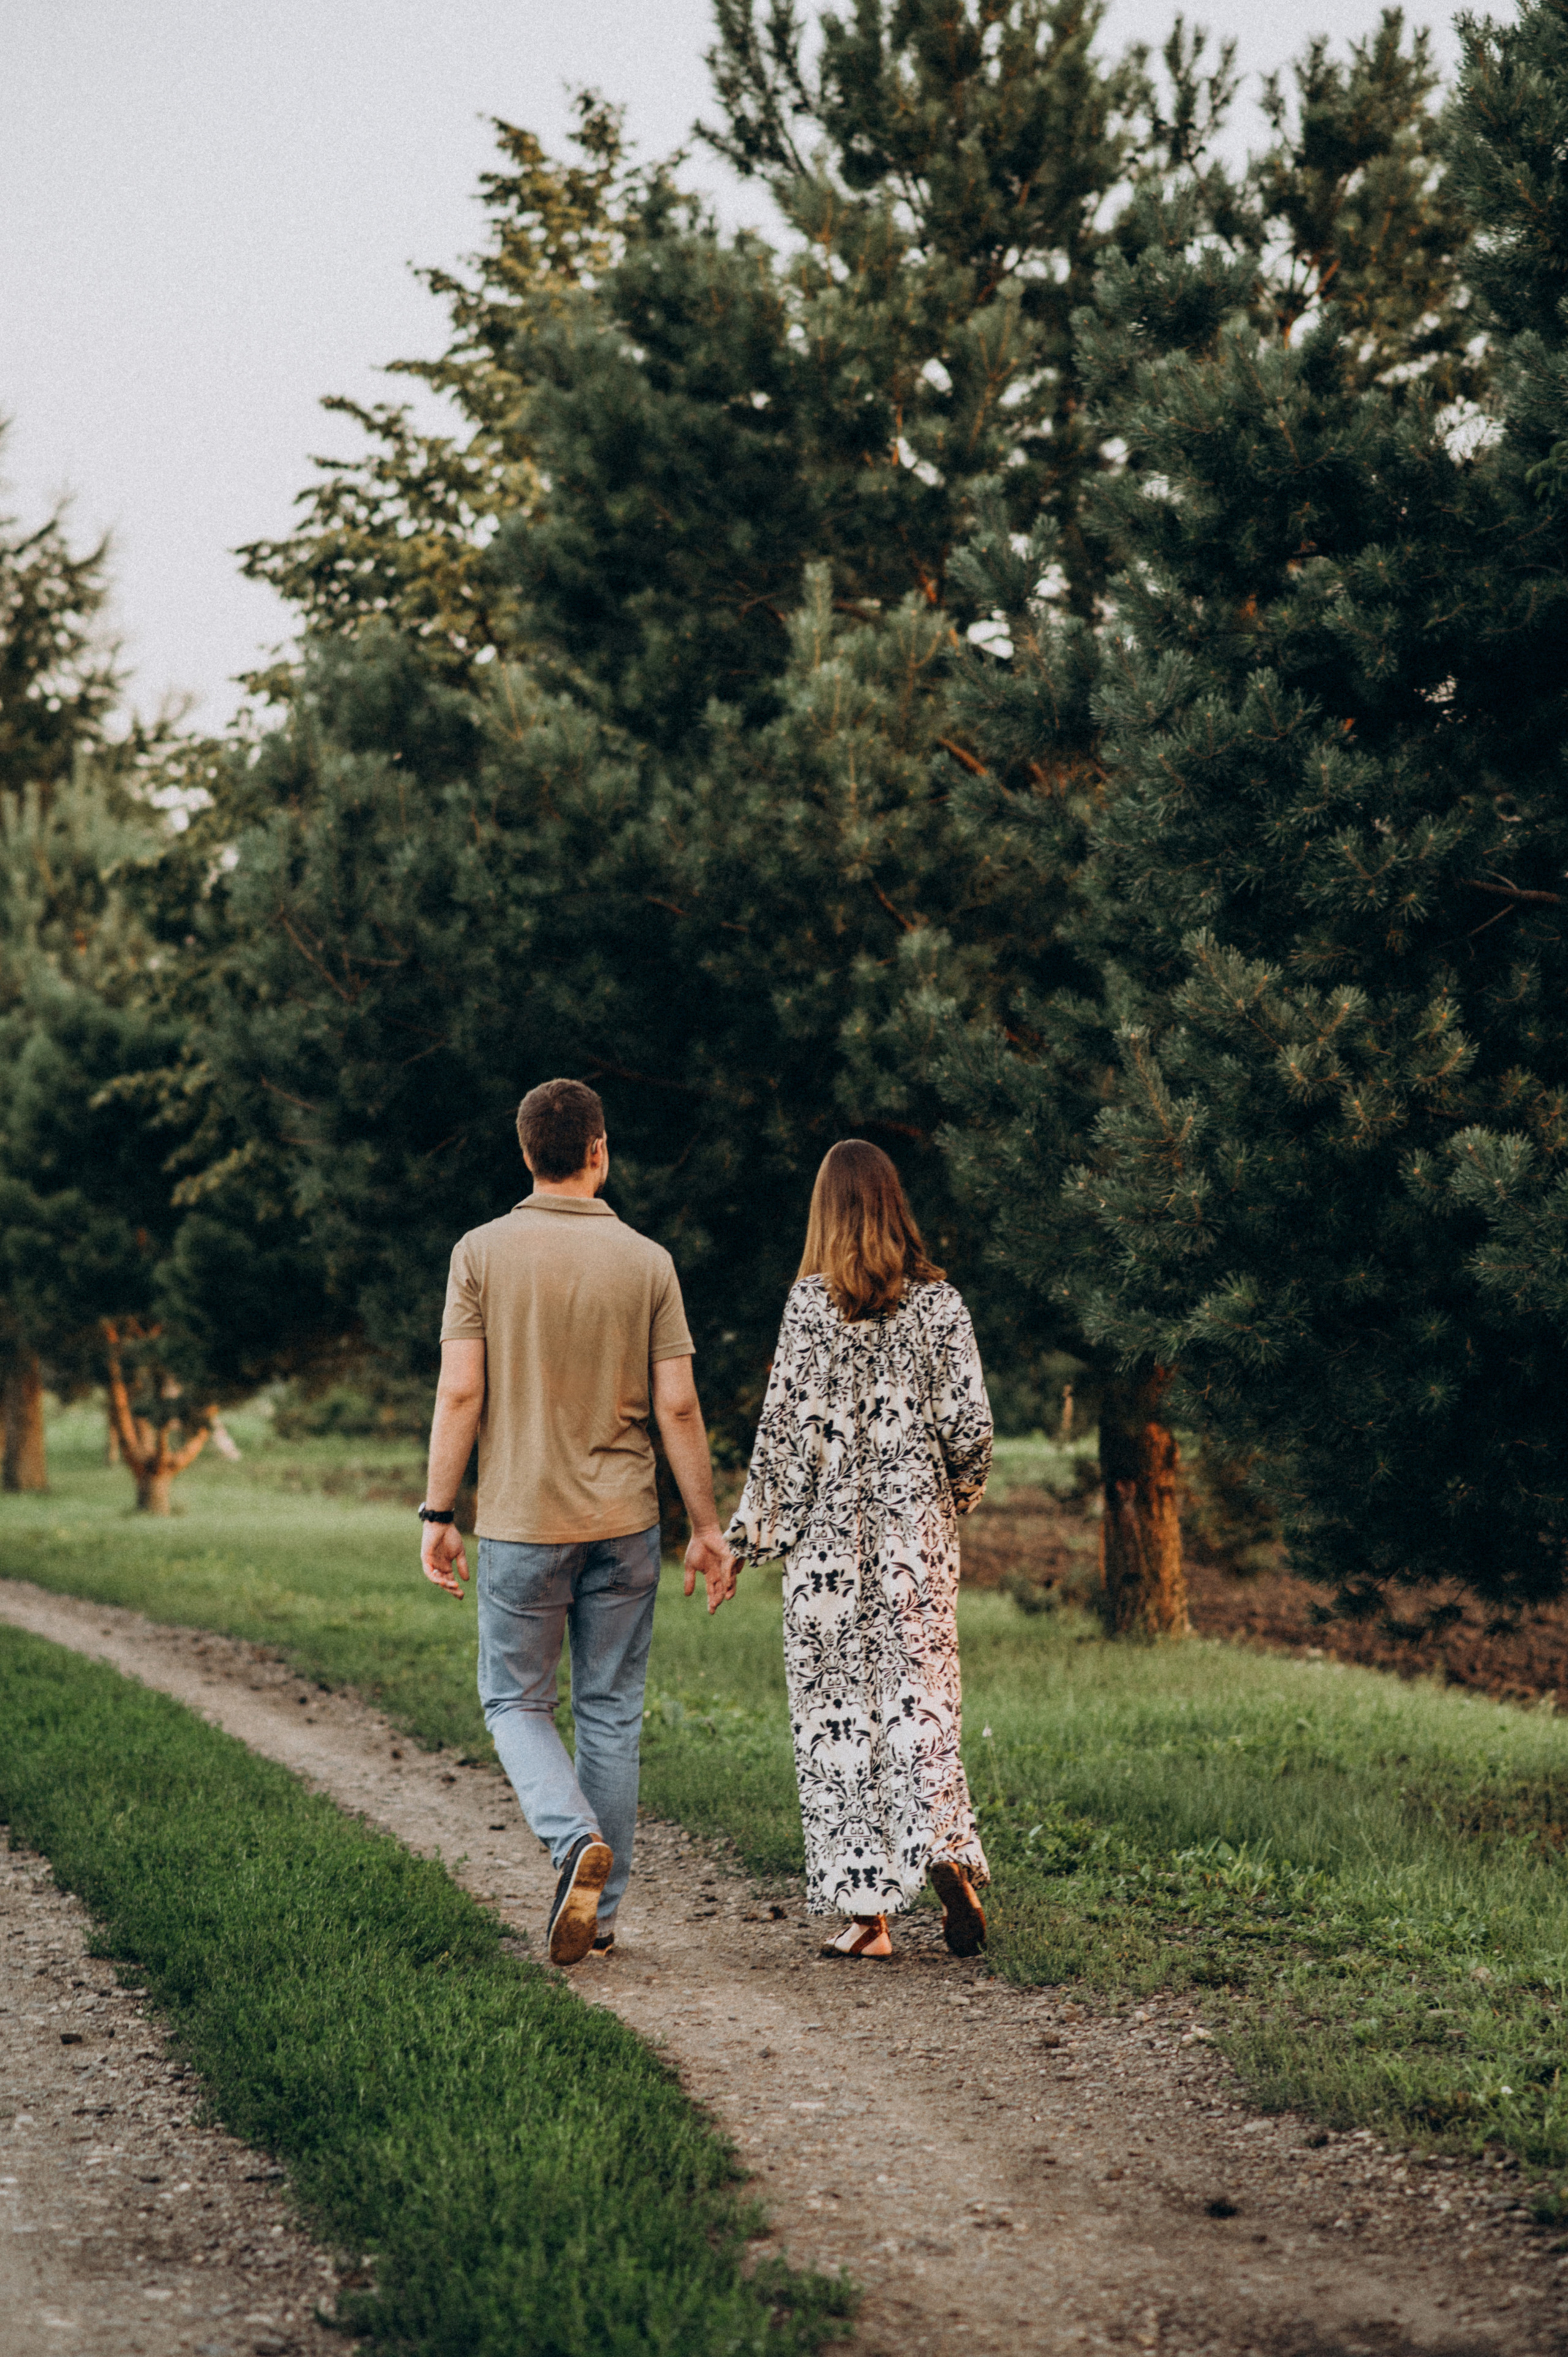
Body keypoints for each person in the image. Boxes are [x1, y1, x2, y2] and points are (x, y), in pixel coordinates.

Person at [418, 1078, 736, 1967]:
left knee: (514, 1699)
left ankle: (572, 1847)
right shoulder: (649, 1262)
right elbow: (678, 1408)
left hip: (521, 1525)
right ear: (600, 1151)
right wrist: (705, 1528)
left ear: (526, 1154)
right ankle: (599, 1914)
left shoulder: (478, 1253)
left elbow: (460, 1390)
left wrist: (440, 1512)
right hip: (625, 1523)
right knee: (610, 1711)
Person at [723, 1139, 993, 1962]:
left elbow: (783, 1443)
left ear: (825, 1212)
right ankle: (944, 1845)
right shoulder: (941, 1307)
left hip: (828, 1559)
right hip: (916, 1548)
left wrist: (745, 1540)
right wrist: (955, 1500)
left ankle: (869, 1919)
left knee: (838, 1726)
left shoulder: (809, 1307)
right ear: (895, 1205)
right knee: (922, 1708)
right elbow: (971, 1430)